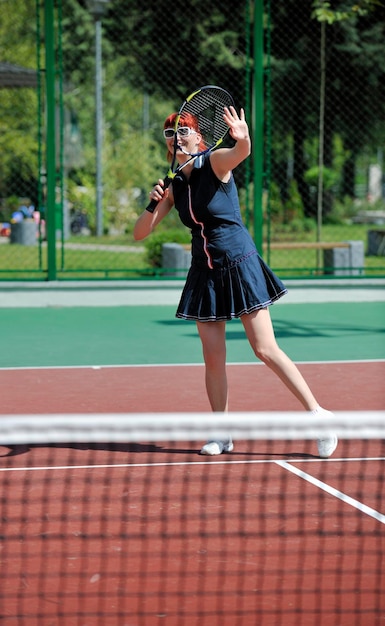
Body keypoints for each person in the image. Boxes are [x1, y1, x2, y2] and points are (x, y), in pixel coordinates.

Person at [134, 105, 338, 458]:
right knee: (213, 358)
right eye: (170, 133)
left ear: (199, 137)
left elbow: (239, 152)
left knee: (265, 349)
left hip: (238, 262)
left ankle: (319, 416)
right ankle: (223, 433)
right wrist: (152, 205)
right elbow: (139, 234)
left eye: (184, 130)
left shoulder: (214, 162)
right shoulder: (174, 183)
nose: (177, 137)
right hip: (204, 270)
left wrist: (242, 138)